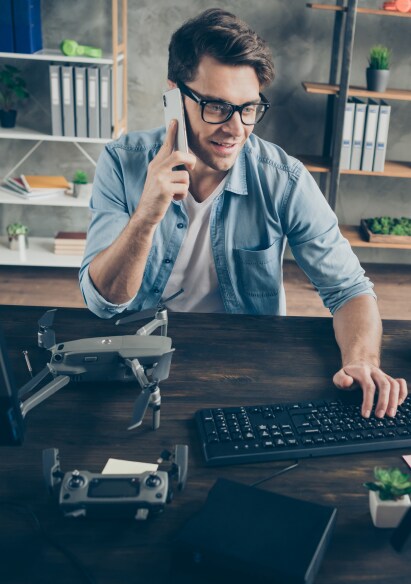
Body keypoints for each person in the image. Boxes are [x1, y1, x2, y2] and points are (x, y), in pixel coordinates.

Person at [79, 8, 407, 419]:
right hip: (137, 360)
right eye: (216, 106)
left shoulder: (283, 179)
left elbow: (348, 289)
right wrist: (145, 216)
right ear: (174, 97)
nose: (235, 129)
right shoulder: (122, 162)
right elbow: (102, 303)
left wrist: (363, 361)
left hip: (246, 366)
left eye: (248, 108)